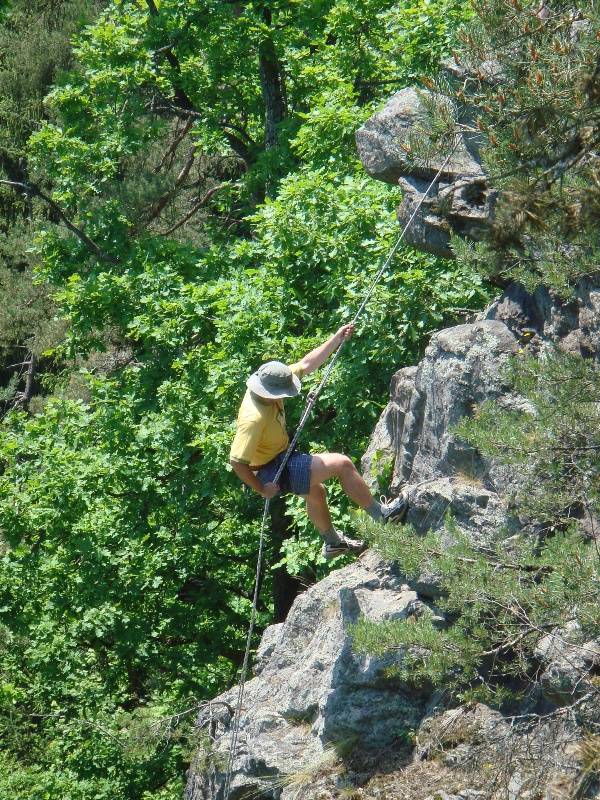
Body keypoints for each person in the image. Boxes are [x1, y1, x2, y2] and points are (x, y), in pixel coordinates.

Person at [229, 324, 408, 559]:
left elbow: (305, 364)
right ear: (270, 393)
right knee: (342, 464)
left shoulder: (271, 383)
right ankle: (382, 516)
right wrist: (263, 489)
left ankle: (333, 543)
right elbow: (237, 462)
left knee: (317, 492)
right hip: (269, 470)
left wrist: (336, 338)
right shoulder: (253, 418)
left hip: (281, 455)